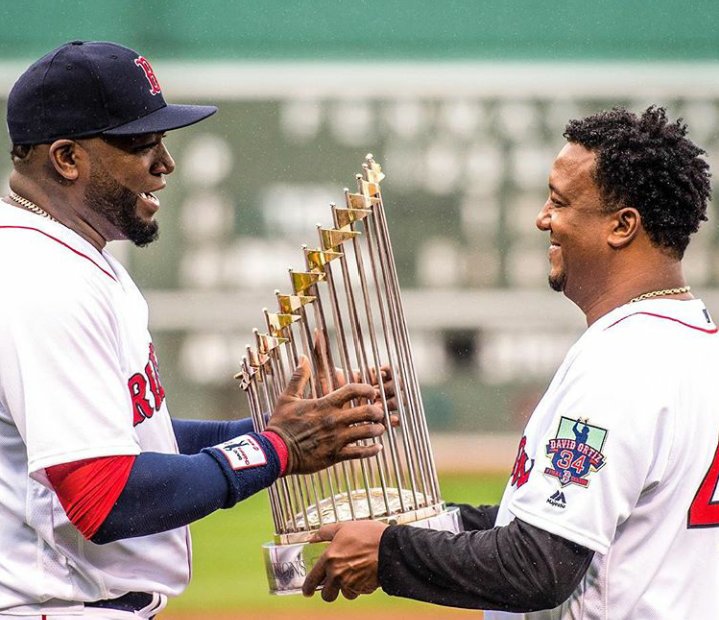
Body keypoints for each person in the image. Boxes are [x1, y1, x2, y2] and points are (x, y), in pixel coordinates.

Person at [0, 41, 389, 619]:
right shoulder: (42, 279)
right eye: (141, 143)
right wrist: (276, 448)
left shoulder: (71, 257)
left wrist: (267, 428)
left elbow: (130, 438)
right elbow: (102, 495)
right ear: (66, 158)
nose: (165, 163)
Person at [302, 106, 719, 619]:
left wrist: (387, 553)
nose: (543, 218)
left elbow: (538, 566)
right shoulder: (698, 345)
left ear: (622, 225)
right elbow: (561, 525)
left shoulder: (623, 362)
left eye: (560, 202)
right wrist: (418, 524)